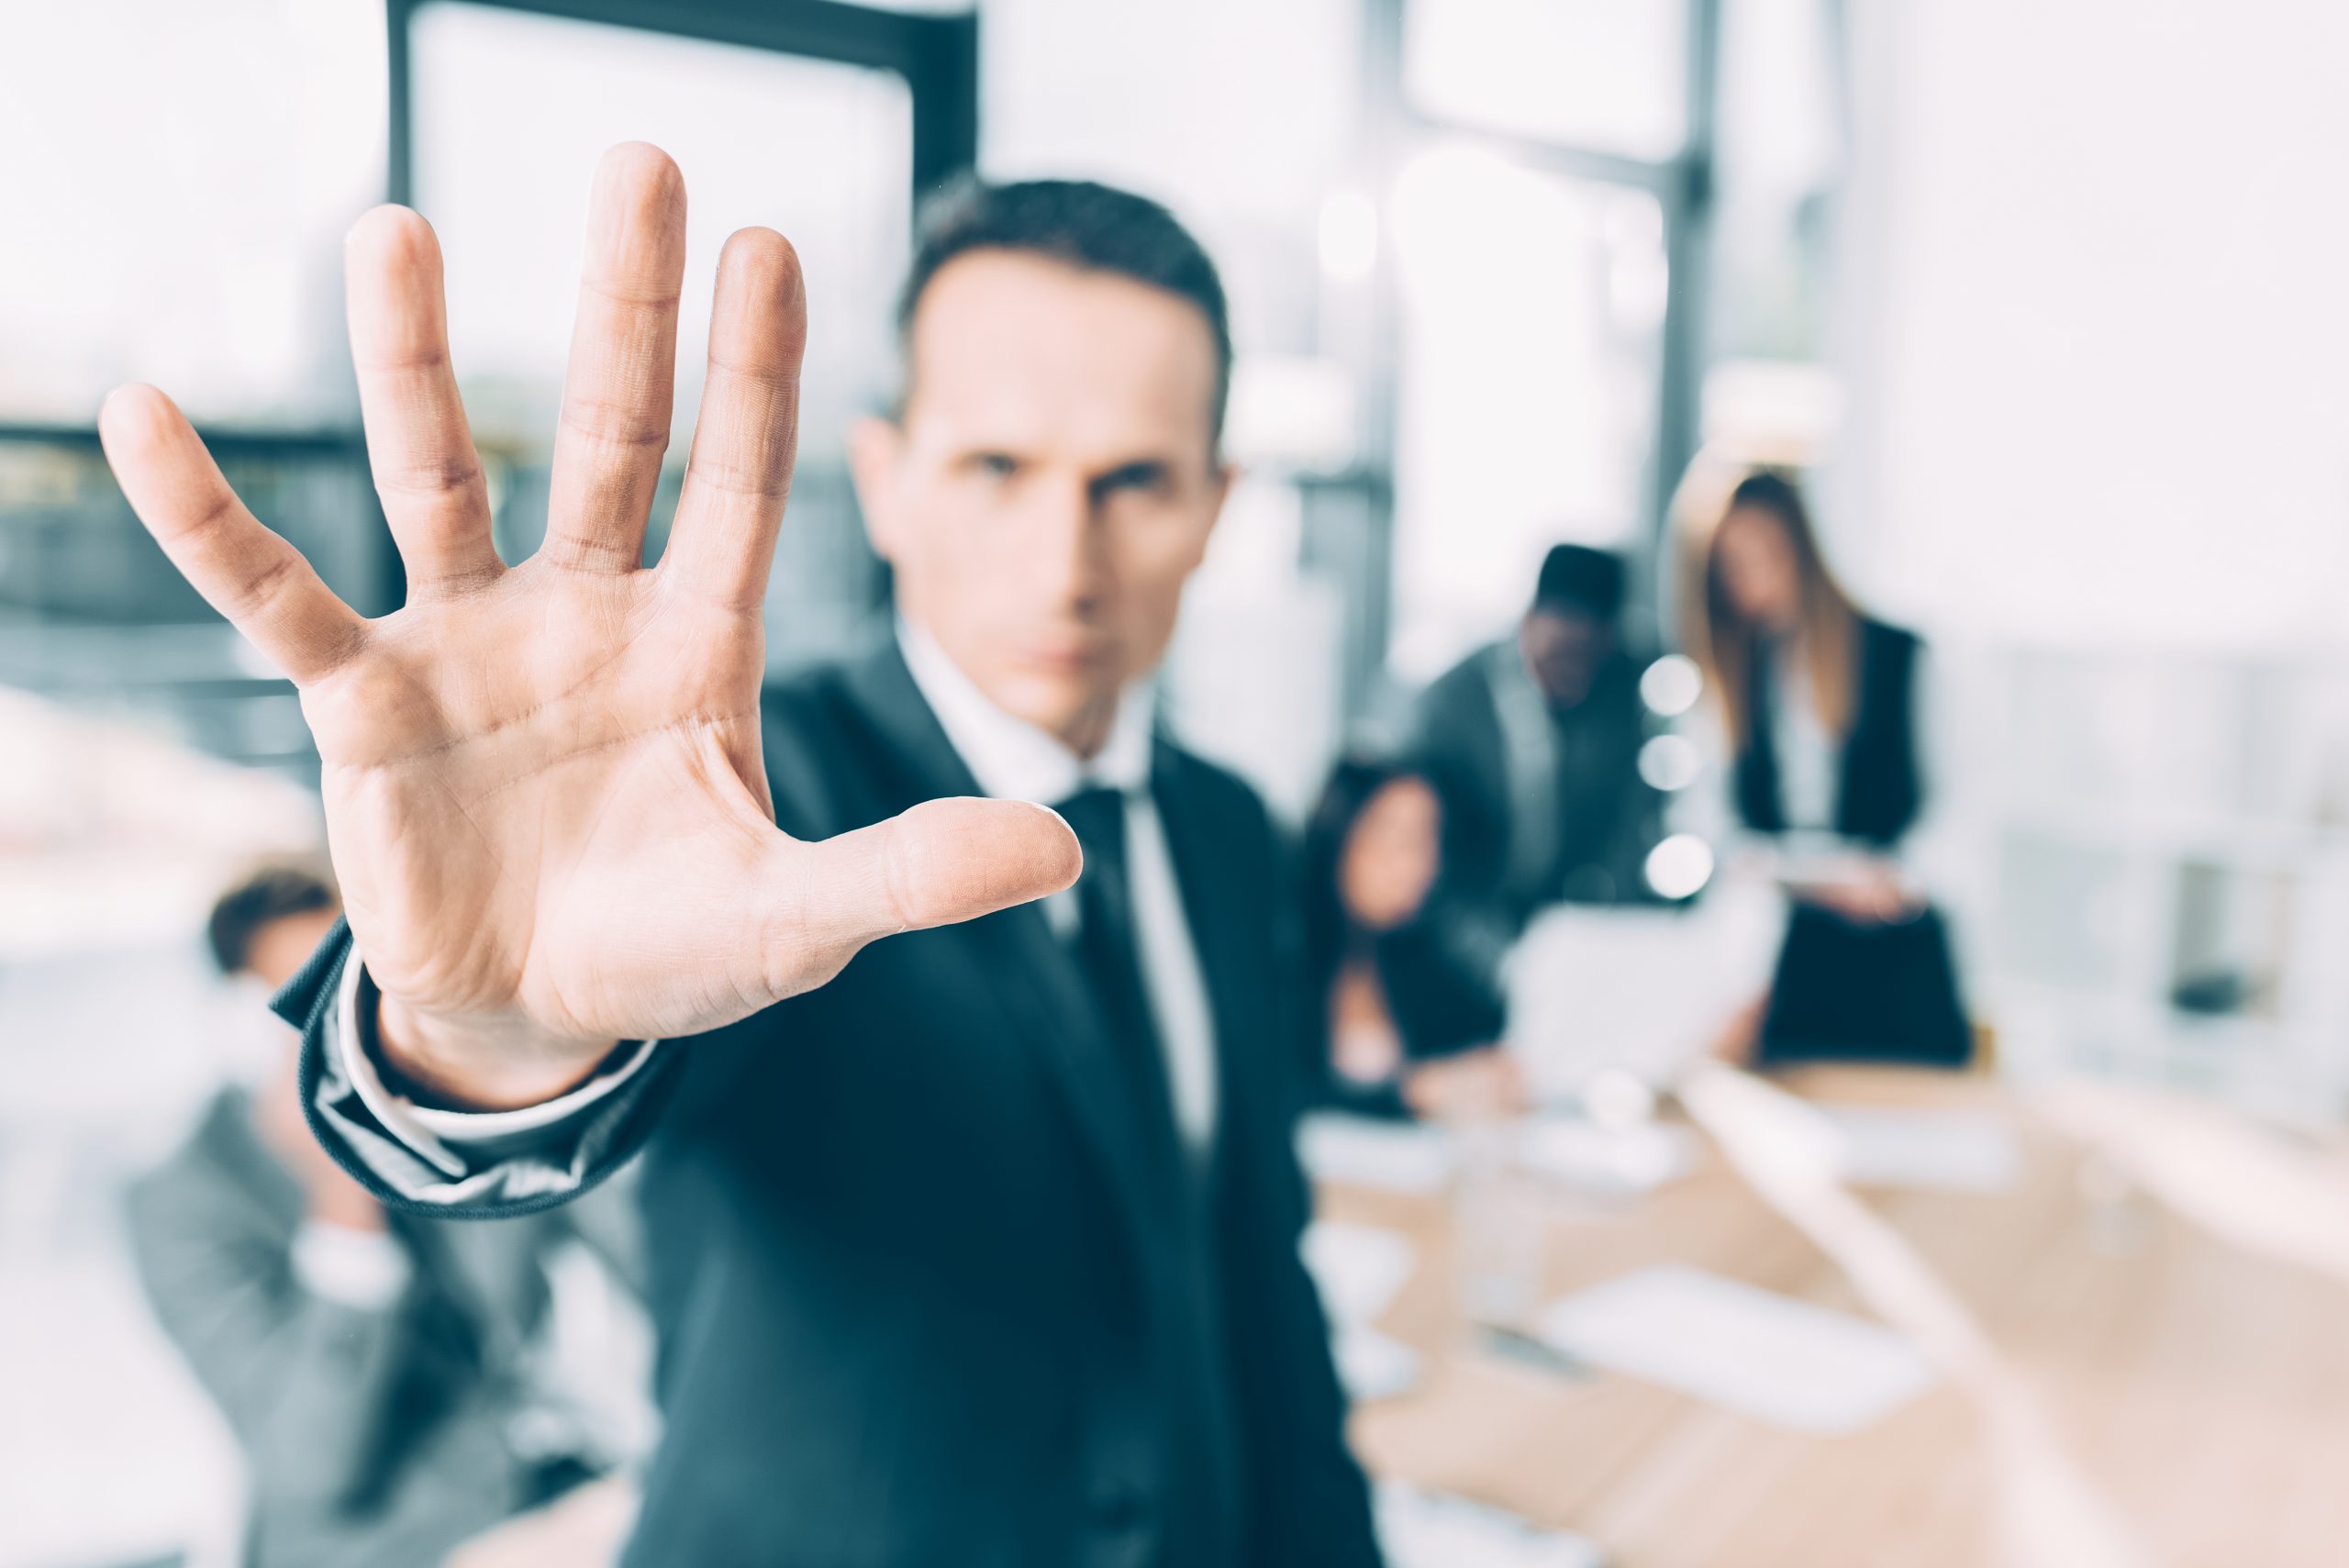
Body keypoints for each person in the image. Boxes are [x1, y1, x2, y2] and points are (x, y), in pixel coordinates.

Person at [100, 146, 1379, 1567]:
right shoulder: (739, 801)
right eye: (997, 467)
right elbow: (577, 1081)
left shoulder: (1226, 834)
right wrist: (483, 1047)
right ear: (886, 483)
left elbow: (1259, 1276)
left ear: (1216, 502)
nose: (1064, 560)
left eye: (1134, 481)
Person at [126, 868, 652, 1568]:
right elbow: (313, 1468)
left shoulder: (448, 1103)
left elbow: (648, 1257)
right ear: (246, 1030)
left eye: (355, 991)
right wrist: (344, 1194)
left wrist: (535, 1089)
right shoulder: (183, 1199)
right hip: (389, 1542)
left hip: (556, 1491)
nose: (347, 1032)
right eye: (308, 1011)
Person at [1673, 465, 1971, 1065]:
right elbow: (1712, 837)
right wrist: (1805, 875)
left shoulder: (1901, 656)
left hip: (1900, 968)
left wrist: (1896, 878)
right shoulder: (1727, 686)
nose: (1755, 581)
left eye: (1769, 554)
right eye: (1734, 564)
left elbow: (1960, 813)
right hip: (1792, 978)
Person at [1411, 542, 1667, 930]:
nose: (1570, 672)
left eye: (1586, 656)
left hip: (1574, 923)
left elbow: (1631, 818)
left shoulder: (1626, 692)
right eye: (1559, 652)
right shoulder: (1454, 704)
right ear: (1528, 621)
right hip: (1470, 921)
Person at [1298, 757, 1520, 1120]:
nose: (1421, 867)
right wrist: (1410, 1092)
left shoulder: (1415, 953)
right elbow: (1286, 1094)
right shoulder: (1282, 952)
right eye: (1400, 841)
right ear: (1339, 832)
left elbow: (1483, 1035)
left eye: (1430, 842)